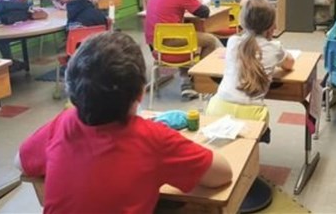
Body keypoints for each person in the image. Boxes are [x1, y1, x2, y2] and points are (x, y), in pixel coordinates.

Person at [16, 32, 232, 213]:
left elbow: (20, 161)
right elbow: (222, 174)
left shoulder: (62, 123)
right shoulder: (153, 138)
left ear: (72, 91)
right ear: (140, 93)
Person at [206, 0, 294, 137]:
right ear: (271, 26)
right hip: (253, 114)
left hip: (218, 107)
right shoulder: (275, 48)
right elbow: (289, 64)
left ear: (242, 21)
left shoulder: (232, 41)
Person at [145, 0, 223, 100]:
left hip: (155, 46)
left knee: (186, 33)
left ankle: (186, 80)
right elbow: (203, 13)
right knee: (210, 41)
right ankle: (198, 80)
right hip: (171, 44)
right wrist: (197, 2)